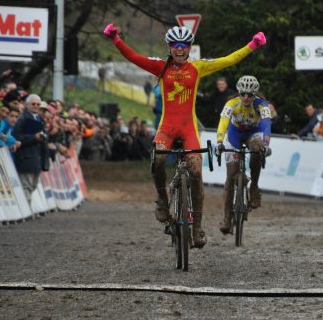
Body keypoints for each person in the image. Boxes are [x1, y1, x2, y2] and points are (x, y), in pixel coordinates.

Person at [103, 23, 266, 248]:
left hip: (188, 129)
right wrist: (115, 39)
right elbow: (133, 57)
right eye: (175, 45)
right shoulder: (160, 67)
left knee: (197, 172)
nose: (180, 49)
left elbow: (229, 59)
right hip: (167, 128)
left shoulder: (197, 67)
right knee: (159, 158)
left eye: (184, 45)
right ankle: (162, 199)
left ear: (189, 47)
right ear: (169, 47)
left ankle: (197, 227)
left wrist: (252, 45)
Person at [215, 75, 272, 234]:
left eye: (250, 95)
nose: (246, 98)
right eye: (243, 94)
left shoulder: (262, 105)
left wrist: (266, 143)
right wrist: (219, 142)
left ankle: (254, 186)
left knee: (256, 150)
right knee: (230, 176)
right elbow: (223, 123)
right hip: (235, 134)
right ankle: (227, 218)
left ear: (255, 95)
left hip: (254, 133)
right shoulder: (231, 104)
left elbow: (267, 125)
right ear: (238, 93)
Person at [12, 94, 47, 202]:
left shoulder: (40, 119)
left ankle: (27, 207)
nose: (36, 106)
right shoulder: (23, 118)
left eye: (38, 104)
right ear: (27, 105)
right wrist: (34, 137)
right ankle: (27, 208)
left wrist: (44, 137)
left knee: (34, 185)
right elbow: (16, 136)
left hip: (37, 157)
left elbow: (45, 134)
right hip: (25, 156)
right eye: (33, 104)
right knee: (26, 185)